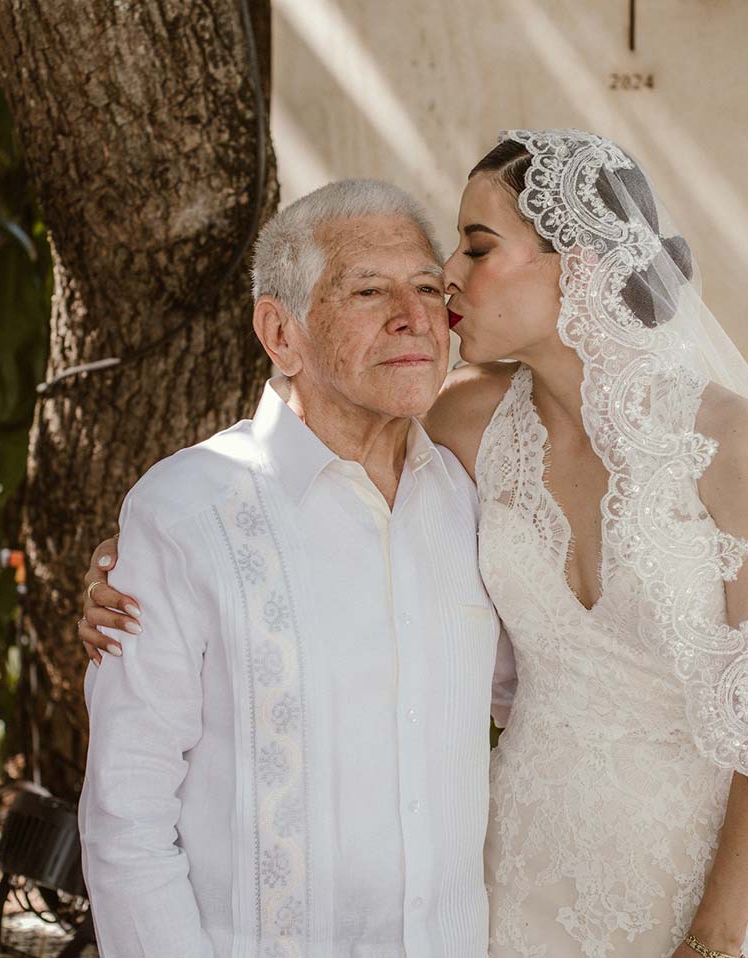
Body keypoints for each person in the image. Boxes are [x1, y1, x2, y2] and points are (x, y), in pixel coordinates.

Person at [82, 129, 748, 958]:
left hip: (694, 875)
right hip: (519, 880)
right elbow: (315, 441)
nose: (445, 290)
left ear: (577, 262)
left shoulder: (725, 437)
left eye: (470, 252)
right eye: (433, 268)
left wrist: (715, 936)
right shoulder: (466, 425)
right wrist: (152, 551)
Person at [77, 178, 499, 958]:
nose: (414, 318)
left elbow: (543, 683)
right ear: (282, 332)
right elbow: (125, 815)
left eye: (428, 289)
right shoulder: (182, 514)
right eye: (369, 290)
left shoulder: (476, 503)